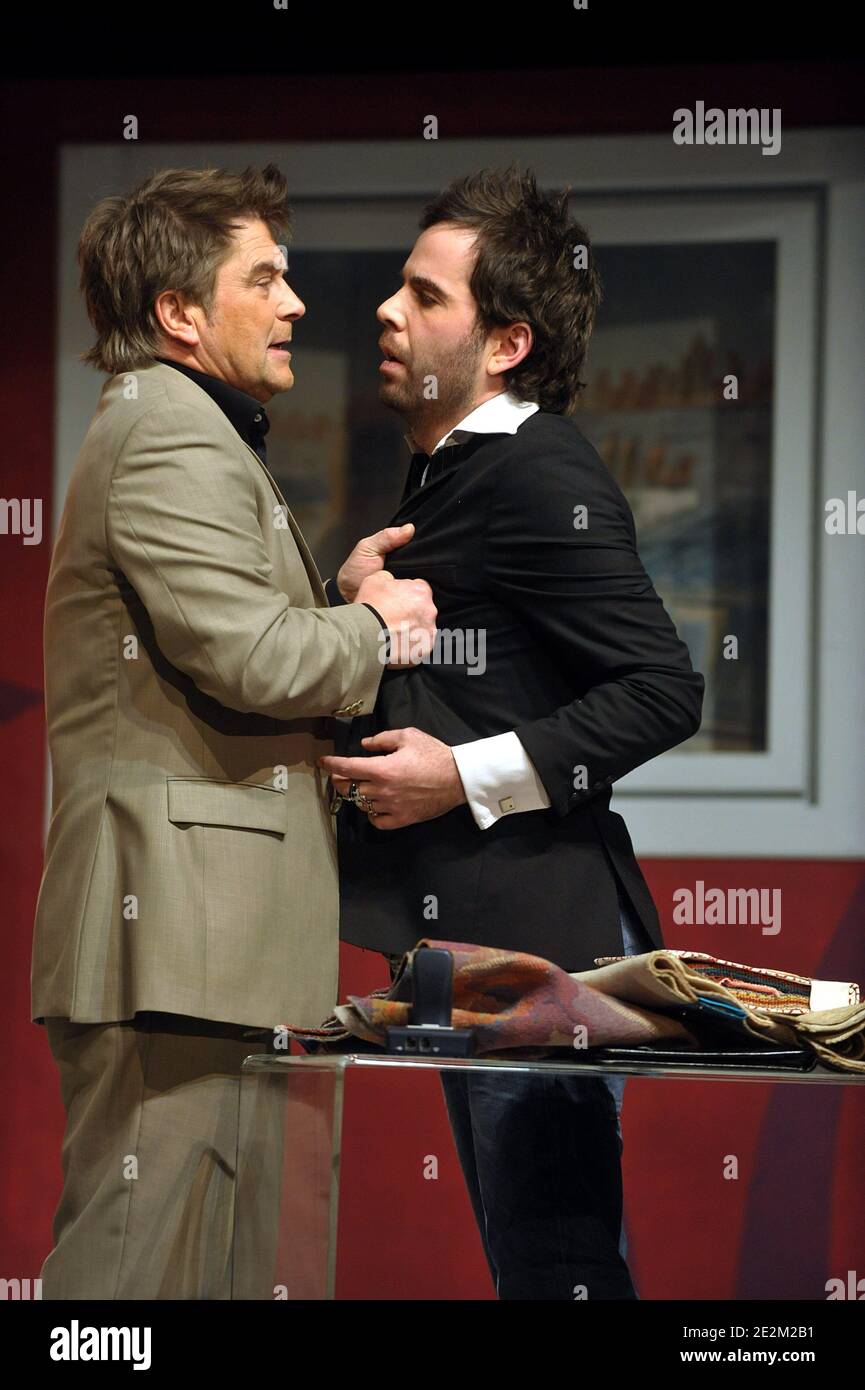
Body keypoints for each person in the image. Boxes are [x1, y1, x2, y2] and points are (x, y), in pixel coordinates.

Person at [31, 163, 436, 1299]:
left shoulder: (194, 428)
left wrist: (332, 606)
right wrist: (373, 629)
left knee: (217, 1274)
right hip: (175, 945)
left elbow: (235, 642)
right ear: (179, 312)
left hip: (213, 949)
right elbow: (249, 659)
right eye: (265, 277)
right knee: (128, 1284)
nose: (296, 302)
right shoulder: (171, 431)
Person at [321, 166, 704, 1300]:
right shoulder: (450, 468)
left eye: (425, 297)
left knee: (559, 1274)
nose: (388, 312)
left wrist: (460, 776)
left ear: (504, 343)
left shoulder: (539, 470)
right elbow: (466, 669)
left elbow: (662, 686)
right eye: (397, 287)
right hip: (482, 952)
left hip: (541, 958)